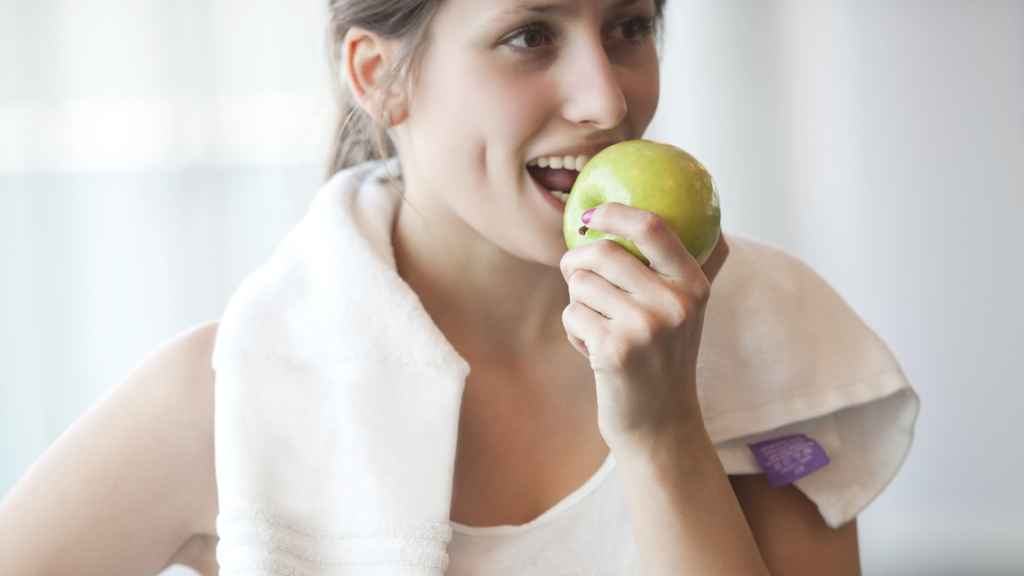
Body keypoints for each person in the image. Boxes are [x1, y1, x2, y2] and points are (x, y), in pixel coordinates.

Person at [0, 1, 920, 574]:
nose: (606, 99)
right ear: (381, 78)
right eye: (530, 36)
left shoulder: (772, 342)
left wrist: (662, 429)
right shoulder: (228, 395)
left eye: (630, 27)